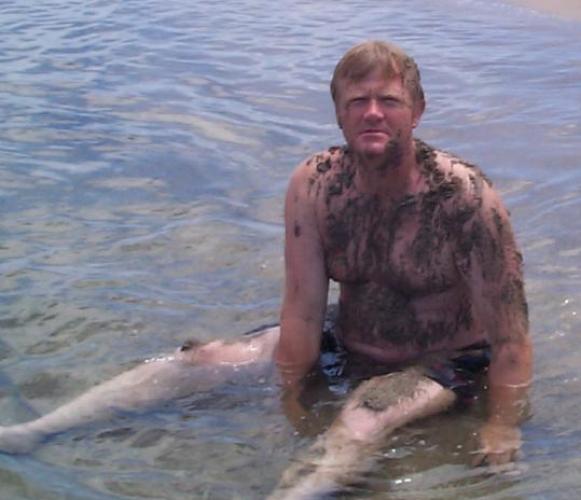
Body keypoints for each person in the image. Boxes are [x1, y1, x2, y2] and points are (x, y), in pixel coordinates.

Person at [0, 40, 532, 497]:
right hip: (345, 337)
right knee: (202, 359)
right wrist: (290, 399)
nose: (373, 112)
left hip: (445, 358)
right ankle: (37, 432)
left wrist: (501, 425)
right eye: (358, 101)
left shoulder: (465, 200)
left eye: (388, 101)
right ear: (340, 114)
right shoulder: (317, 185)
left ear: (416, 111)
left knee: (365, 414)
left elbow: (511, 339)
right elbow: (301, 313)